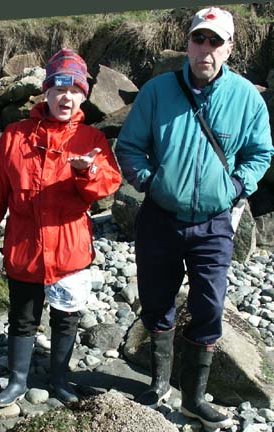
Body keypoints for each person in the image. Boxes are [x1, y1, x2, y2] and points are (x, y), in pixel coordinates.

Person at [116, 7, 274, 430]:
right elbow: (129, 146)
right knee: (156, 301)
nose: (205, 48)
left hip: (214, 223)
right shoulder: (156, 91)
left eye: (215, 41)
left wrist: (238, 187)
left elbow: (261, 153)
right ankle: (158, 382)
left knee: (209, 307)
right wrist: (150, 180)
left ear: (230, 48)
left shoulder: (246, 98)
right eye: (199, 39)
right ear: (187, 43)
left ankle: (194, 399)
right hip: (160, 217)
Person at [0, 48, 121, 407]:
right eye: (58, 89)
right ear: (46, 93)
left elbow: (106, 188)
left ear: (83, 95)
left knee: (66, 320)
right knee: (23, 318)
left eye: (74, 90)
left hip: (70, 248)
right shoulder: (14, 136)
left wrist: (87, 172)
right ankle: (17, 381)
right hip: (24, 247)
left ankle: (60, 379)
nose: (65, 97)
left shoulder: (92, 140)